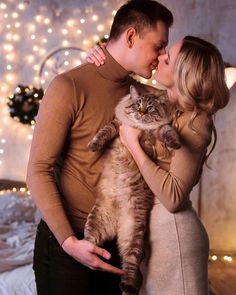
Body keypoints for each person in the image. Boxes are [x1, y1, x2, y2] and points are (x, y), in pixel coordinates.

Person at [26, 1, 173, 294]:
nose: (162, 55)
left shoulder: (144, 95)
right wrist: (70, 243)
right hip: (67, 249)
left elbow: (190, 95)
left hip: (120, 243)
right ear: (131, 37)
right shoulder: (68, 86)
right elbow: (37, 170)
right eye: (159, 46)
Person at [87, 36, 229, 294]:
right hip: (148, 232)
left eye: (168, 58)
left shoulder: (196, 122)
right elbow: (116, 78)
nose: (160, 57)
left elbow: (173, 197)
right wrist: (99, 55)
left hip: (173, 234)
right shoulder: (157, 99)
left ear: (183, 73)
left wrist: (133, 145)